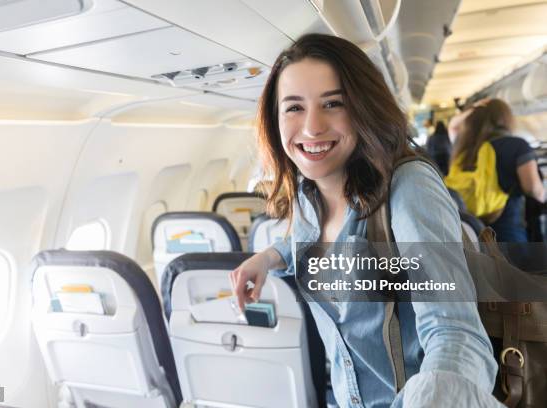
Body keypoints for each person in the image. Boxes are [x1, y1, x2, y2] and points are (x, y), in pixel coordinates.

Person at [229, 34, 500, 407]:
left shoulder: (408, 188)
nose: (311, 127)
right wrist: (268, 258)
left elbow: (455, 332)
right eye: (294, 107)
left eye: (333, 103)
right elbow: (313, 243)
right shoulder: (309, 197)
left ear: (362, 107)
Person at [449, 99, 545, 242]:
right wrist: (543, 195)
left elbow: (452, 127)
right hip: (507, 228)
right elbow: (532, 189)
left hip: (471, 229)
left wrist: (475, 108)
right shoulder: (517, 145)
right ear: (507, 119)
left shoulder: (464, 146)